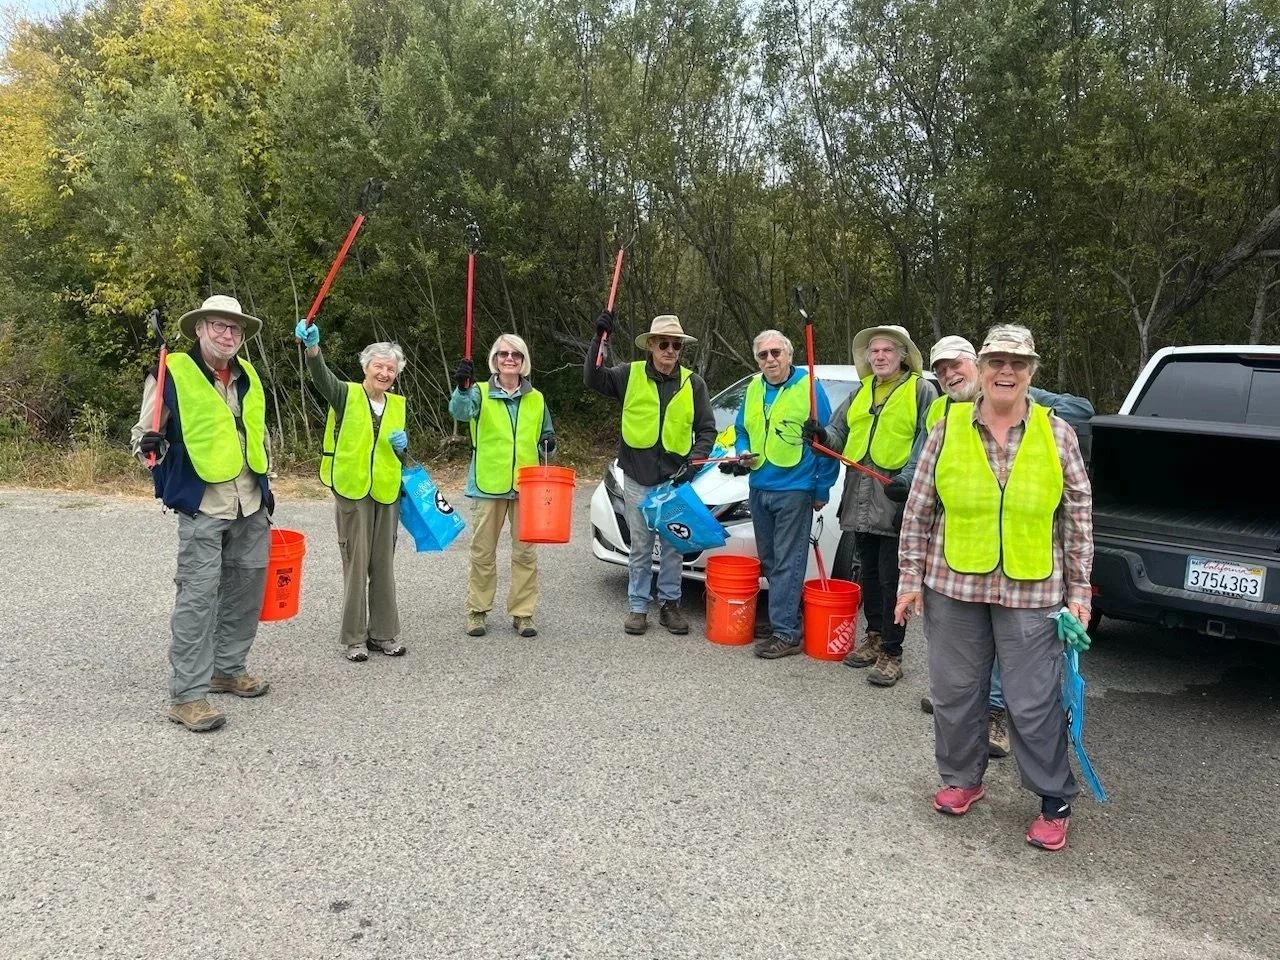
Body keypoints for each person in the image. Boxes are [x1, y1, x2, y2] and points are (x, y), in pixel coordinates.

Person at [895, 324, 1093, 852]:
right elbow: (918, 510)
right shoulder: (947, 428)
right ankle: (963, 779)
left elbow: (1077, 519)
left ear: (1031, 372)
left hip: (1033, 590)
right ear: (981, 369)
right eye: (997, 362)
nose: (1007, 372)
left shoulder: (1058, 434)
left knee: (1032, 701)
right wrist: (908, 580)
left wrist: (1080, 593)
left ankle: (1054, 799)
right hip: (952, 583)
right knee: (956, 692)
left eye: (1018, 363)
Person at [132, 295, 272, 733]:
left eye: (236, 329)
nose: (228, 335)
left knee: (246, 589)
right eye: (219, 326)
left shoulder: (248, 374)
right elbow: (144, 437)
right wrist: (150, 449)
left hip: (250, 498)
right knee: (197, 597)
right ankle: (188, 696)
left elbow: (257, 429)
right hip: (203, 502)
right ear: (199, 329)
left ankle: (227, 669)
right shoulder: (171, 372)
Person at [803, 325, 937, 686]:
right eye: (874, 351)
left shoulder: (921, 390)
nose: (879, 356)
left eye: (887, 351)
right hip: (858, 491)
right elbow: (838, 433)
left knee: (893, 576)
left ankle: (893, 653)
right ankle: (875, 637)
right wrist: (820, 434)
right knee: (870, 574)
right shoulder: (861, 392)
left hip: (893, 495)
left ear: (902, 356)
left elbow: (926, 440)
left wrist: (907, 480)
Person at [585, 312, 717, 635]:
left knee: (673, 547)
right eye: (663, 344)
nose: (669, 350)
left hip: (674, 481)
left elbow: (707, 430)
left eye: (675, 345)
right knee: (641, 546)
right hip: (637, 478)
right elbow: (592, 377)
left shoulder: (692, 383)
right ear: (652, 347)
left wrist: (694, 461)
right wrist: (598, 338)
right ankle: (638, 607)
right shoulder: (628, 375)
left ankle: (670, 605)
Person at [295, 321, 409, 662]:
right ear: (366, 367)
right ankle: (355, 638)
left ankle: (384, 634)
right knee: (356, 564)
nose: (385, 372)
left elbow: (399, 452)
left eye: (391, 368)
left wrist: (404, 448)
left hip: (387, 492)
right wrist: (313, 350)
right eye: (379, 366)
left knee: (383, 566)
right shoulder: (344, 393)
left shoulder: (399, 405)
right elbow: (321, 377)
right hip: (352, 490)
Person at [724, 330, 838, 658]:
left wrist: (822, 488)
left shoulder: (810, 388)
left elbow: (827, 442)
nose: (770, 360)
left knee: (788, 562)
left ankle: (786, 633)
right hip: (759, 486)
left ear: (789, 355)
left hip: (795, 490)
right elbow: (743, 429)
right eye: (763, 355)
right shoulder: (754, 387)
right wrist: (742, 450)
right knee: (771, 560)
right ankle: (784, 618)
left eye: (776, 353)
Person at [450, 334, 555, 639]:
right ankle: (477, 611)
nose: (510, 359)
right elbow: (460, 412)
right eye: (503, 354)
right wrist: (462, 387)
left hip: (527, 487)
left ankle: (523, 613)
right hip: (488, 485)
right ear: (494, 360)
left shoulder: (536, 398)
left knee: (525, 554)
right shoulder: (478, 392)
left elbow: (546, 436)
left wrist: (549, 445)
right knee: (483, 552)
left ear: (524, 362)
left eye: (516, 355)